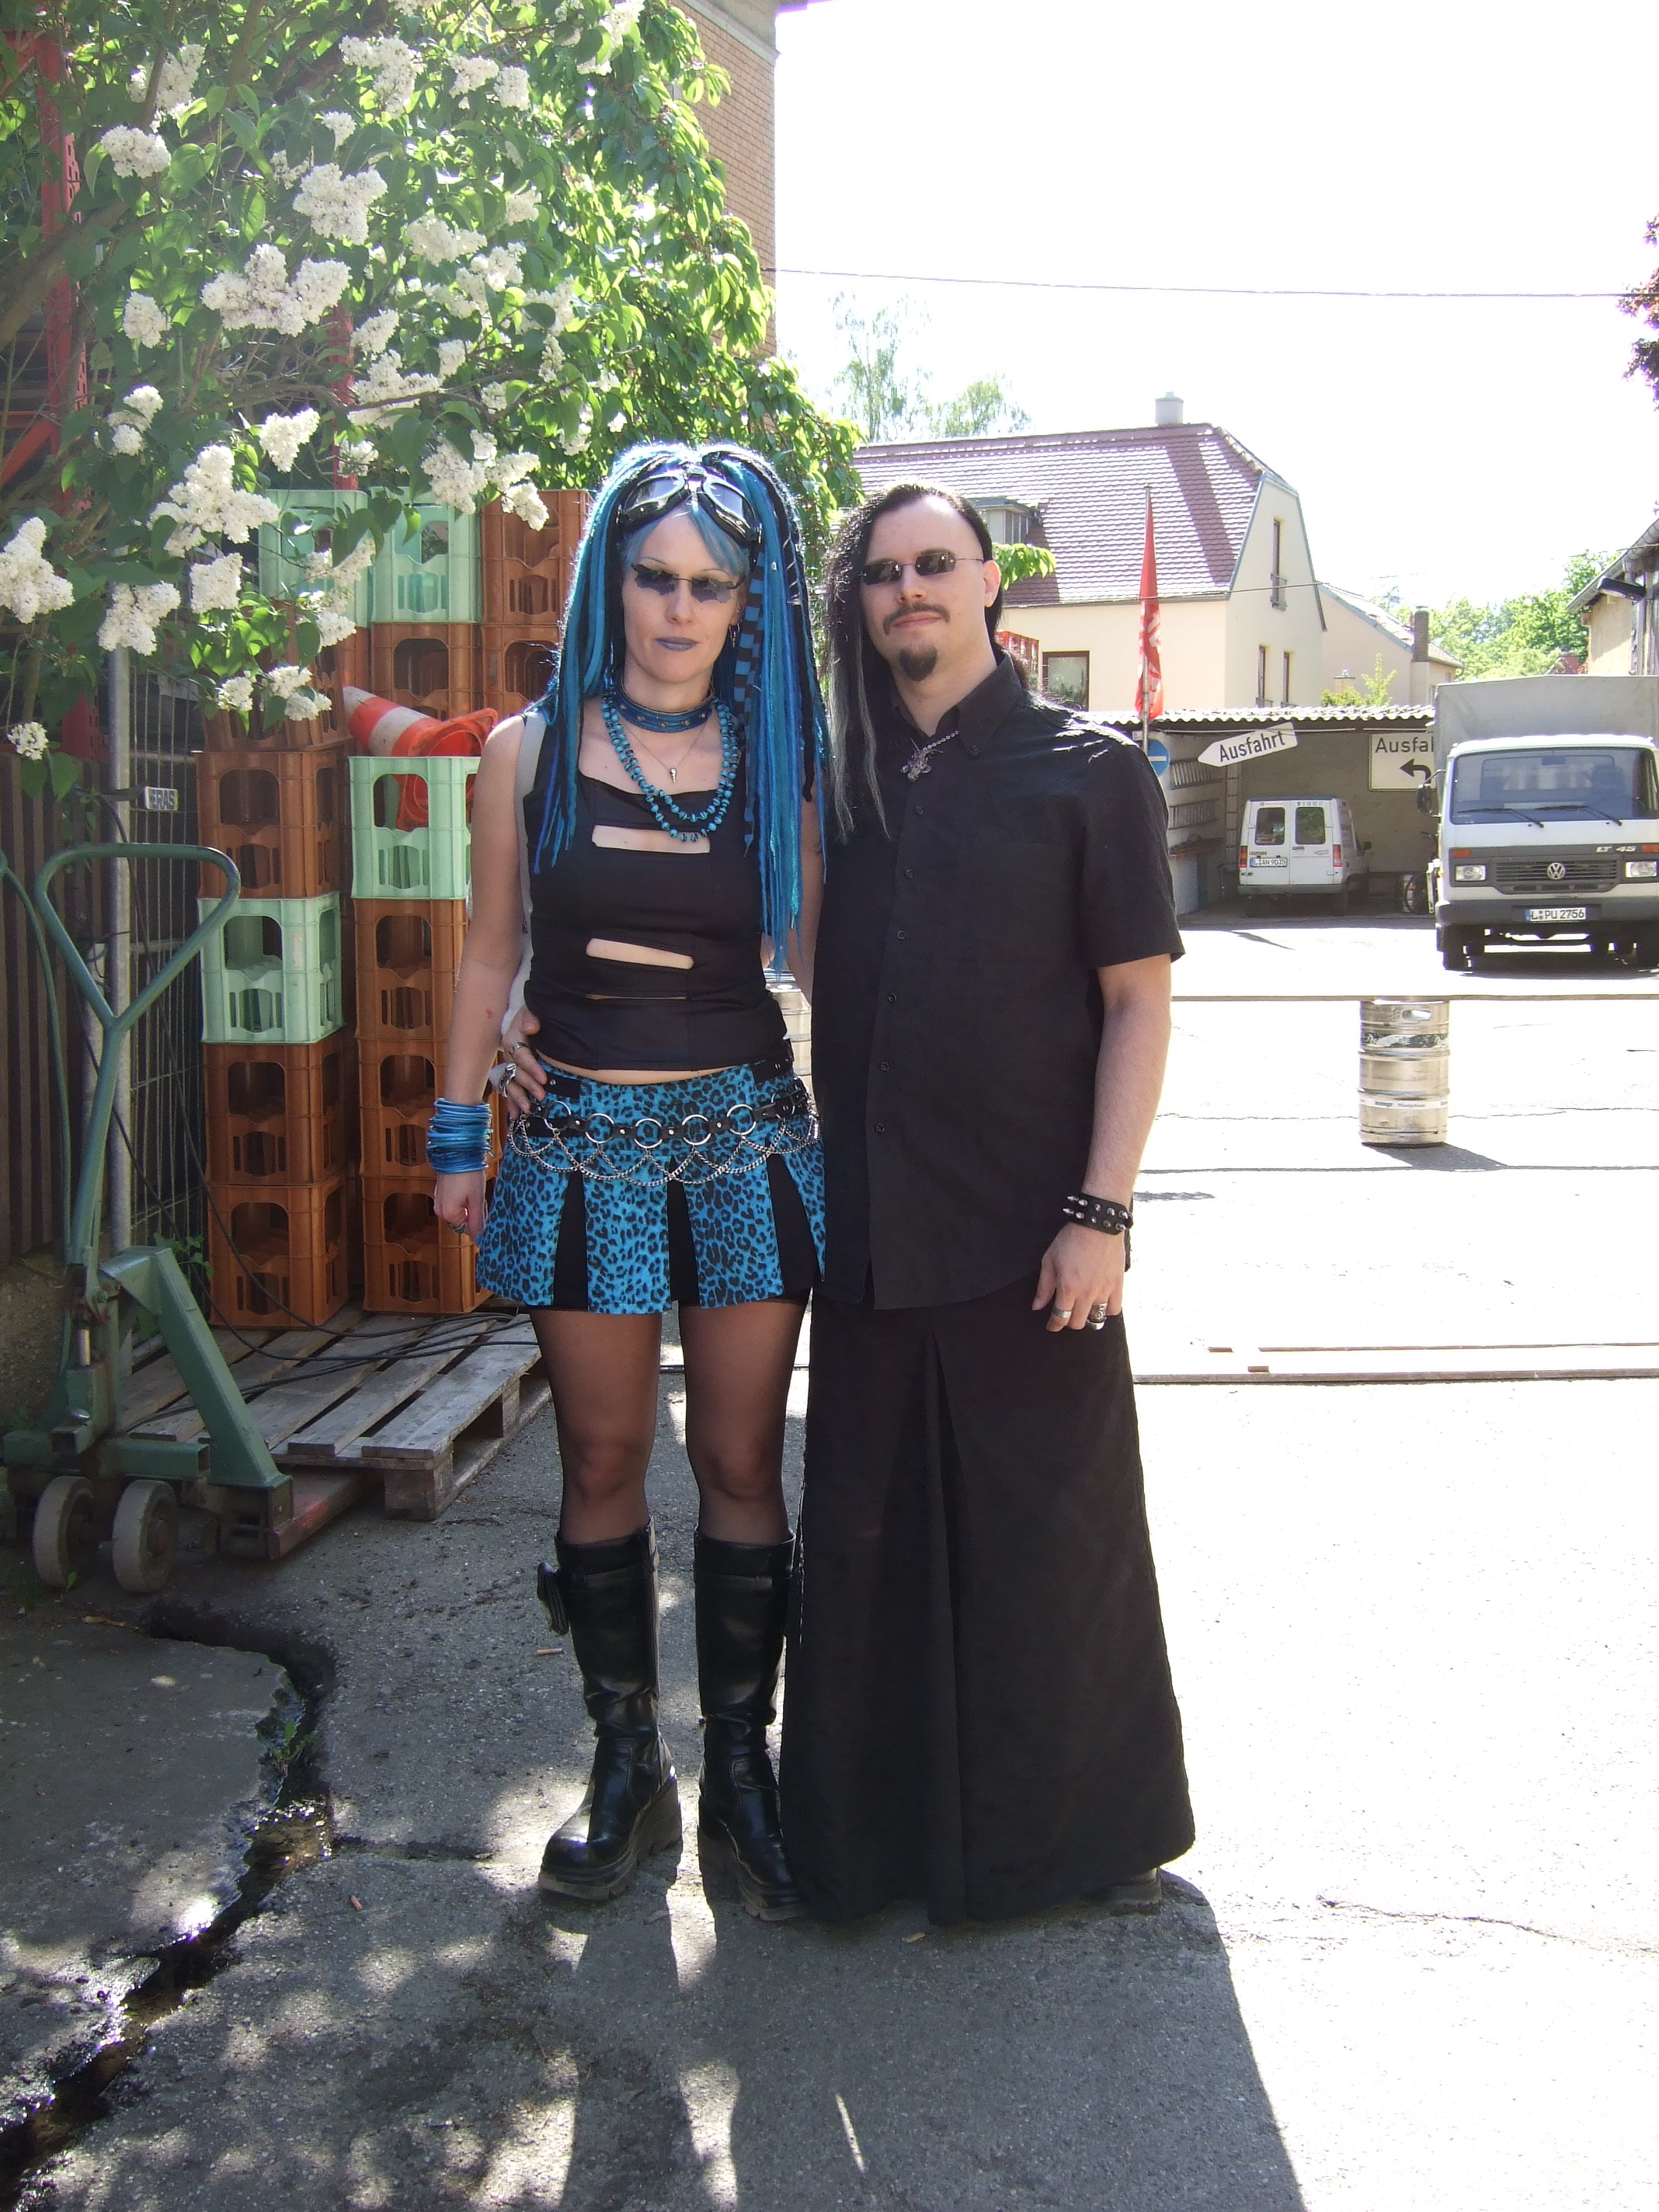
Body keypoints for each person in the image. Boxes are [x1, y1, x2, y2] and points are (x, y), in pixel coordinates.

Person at [778, 481, 1195, 1926]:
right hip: (875, 1228)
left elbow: (1138, 1004)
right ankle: (870, 1851)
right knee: (870, 1542)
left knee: (1046, 1547)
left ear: (988, 583)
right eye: (884, 571)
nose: (911, 589)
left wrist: (1103, 1211)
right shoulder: (841, 781)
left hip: (1039, 1237)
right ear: (862, 602)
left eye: (935, 563)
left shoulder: (1092, 771)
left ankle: (1068, 1848)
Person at [433, 442, 828, 1922]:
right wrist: (458, 1132)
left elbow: (831, 968)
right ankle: (625, 1770)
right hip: (577, 1148)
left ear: (746, 604)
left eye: (709, 586)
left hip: (745, 1145)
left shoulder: (783, 759)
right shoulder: (525, 754)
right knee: (599, 1461)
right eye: (655, 577)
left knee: (740, 1463)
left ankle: (740, 1773)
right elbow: (490, 948)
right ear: (612, 580)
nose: (677, 609)